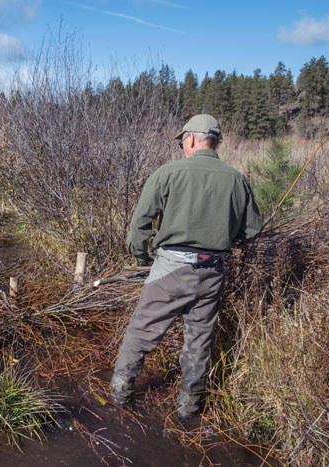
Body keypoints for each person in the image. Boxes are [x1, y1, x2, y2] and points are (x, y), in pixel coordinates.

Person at [109, 114, 263, 419]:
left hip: (170, 269)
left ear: (191, 139)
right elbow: (252, 230)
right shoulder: (236, 179)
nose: (182, 146)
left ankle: (120, 394)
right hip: (214, 273)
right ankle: (188, 407)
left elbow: (139, 225)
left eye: (183, 141)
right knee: (199, 339)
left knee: (141, 331)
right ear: (215, 141)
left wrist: (142, 259)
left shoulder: (168, 173)